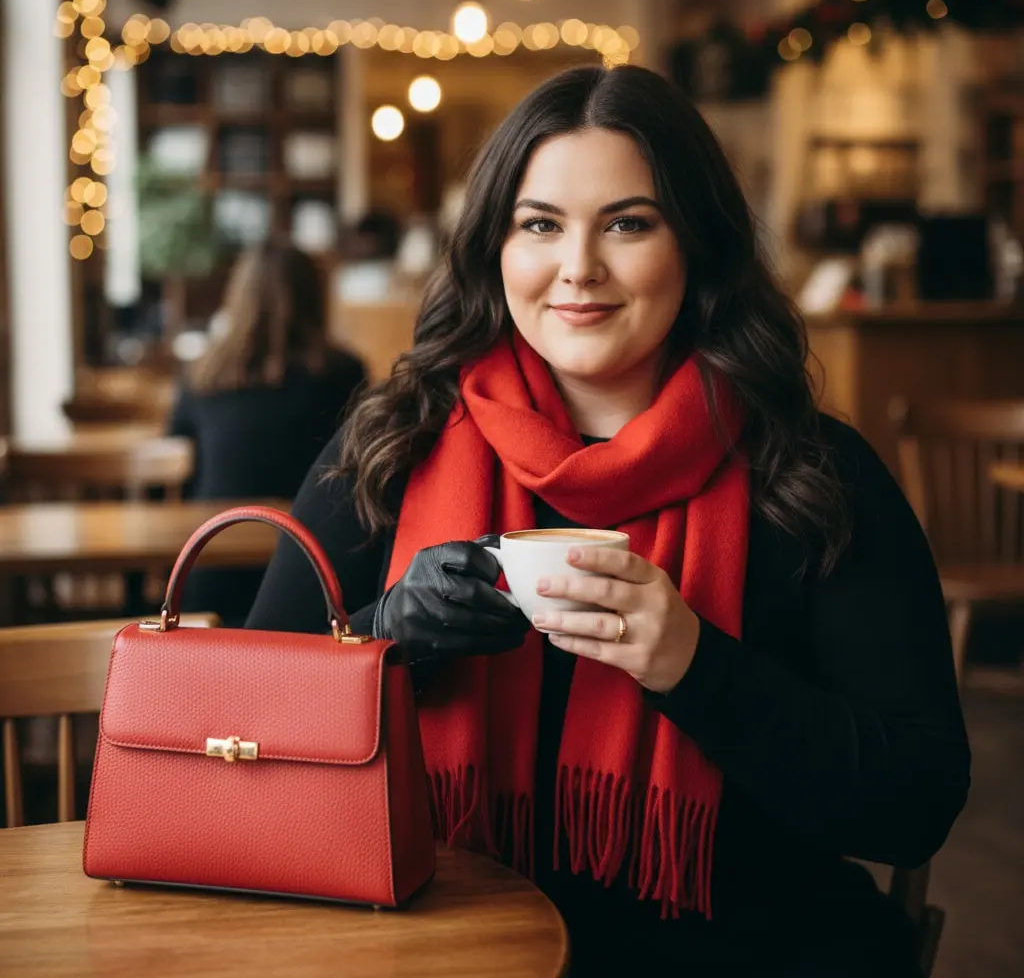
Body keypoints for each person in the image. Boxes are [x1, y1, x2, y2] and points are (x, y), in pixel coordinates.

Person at [247, 66, 969, 976]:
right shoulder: (392, 445)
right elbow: (251, 732)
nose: (578, 267)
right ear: (495, 248)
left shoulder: (811, 473)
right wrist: (386, 642)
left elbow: (915, 803)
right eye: (540, 224)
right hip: (425, 946)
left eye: (628, 223)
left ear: (697, 246)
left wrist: (695, 665)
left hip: (741, 953)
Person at [168, 239, 366, 623]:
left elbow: (180, 467)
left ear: (238, 294)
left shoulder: (202, 374)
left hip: (208, 573)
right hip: (310, 579)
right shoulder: (342, 372)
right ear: (316, 297)